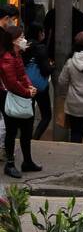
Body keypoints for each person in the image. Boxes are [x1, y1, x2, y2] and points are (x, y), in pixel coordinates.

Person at [0, 26, 40, 177]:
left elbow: (22, 74)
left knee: (26, 129)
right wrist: (27, 91)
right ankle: (9, 164)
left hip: (21, 96)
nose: (24, 39)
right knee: (12, 131)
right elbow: (11, 82)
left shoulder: (16, 55)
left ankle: (27, 161)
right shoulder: (7, 58)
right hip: (10, 97)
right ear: (13, 41)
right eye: (21, 37)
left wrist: (29, 85)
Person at [24, 22, 52, 140]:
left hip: (25, 84)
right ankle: (35, 138)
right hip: (39, 86)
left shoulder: (23, 46)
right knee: (46, 115)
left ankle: (26, 137)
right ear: (39, 33)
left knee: (29, 113)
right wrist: (52, 67)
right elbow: (45, 70)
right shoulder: (40, 48)